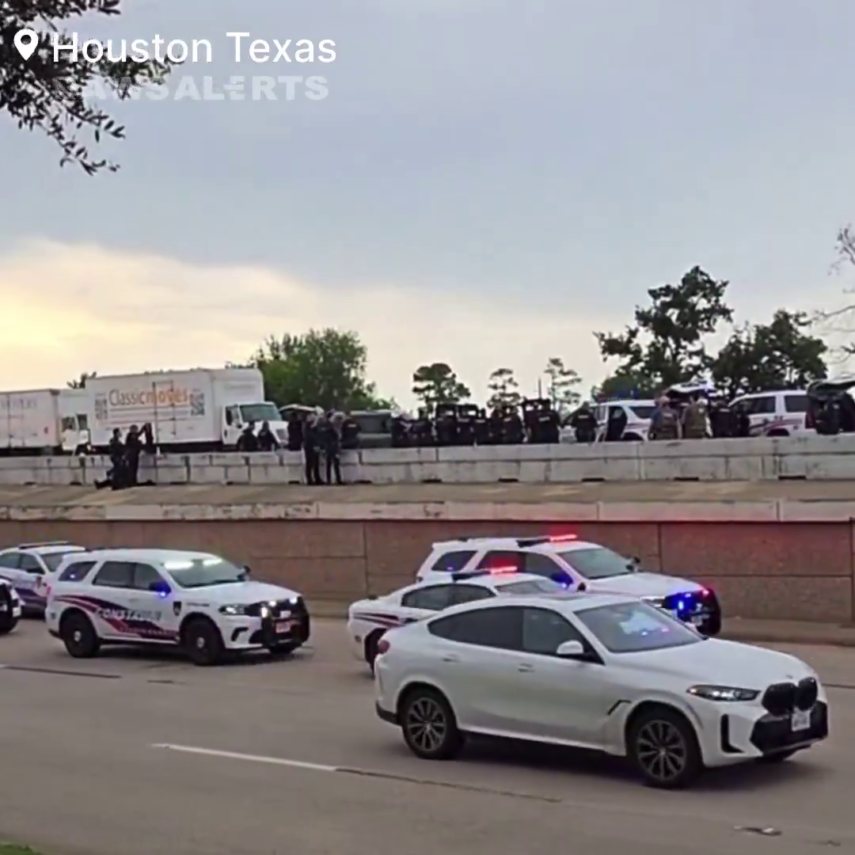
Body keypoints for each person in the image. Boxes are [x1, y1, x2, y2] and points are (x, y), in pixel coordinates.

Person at [321, 412, 343, 485]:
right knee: (332, 464)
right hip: (331, 447)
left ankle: (330, 480)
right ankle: (335, 479)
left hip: (330, 446)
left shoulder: (329, 426)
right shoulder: (331, 427)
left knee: (331, 464)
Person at [302, 414, 322, 485]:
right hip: (309, 446)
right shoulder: (307, 427)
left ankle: (317, 478)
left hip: (314, 445)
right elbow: (310, 436)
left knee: (316, 463)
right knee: (310, 463)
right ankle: (309, 479)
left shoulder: (314, 427)